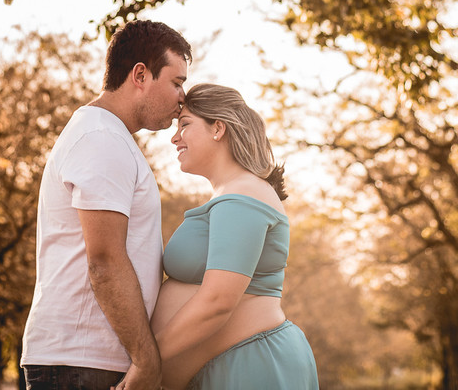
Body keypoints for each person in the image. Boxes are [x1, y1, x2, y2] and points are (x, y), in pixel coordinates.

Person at [22, 20, 192, 390]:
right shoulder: (101, 138)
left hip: (88, 363)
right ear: (141, 75)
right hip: (81, 365)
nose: (183, 97)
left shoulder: (106, 135)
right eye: (177, 82)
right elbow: (104, 261)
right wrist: (147, 362)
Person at [116, 83, 319, 390]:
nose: (174, 137)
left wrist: (146, 363)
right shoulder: (235, 192)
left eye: (185, 125)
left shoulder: (244, 192)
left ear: (218, 129)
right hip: (230, 367)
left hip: (248, 366)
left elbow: (217, 301)